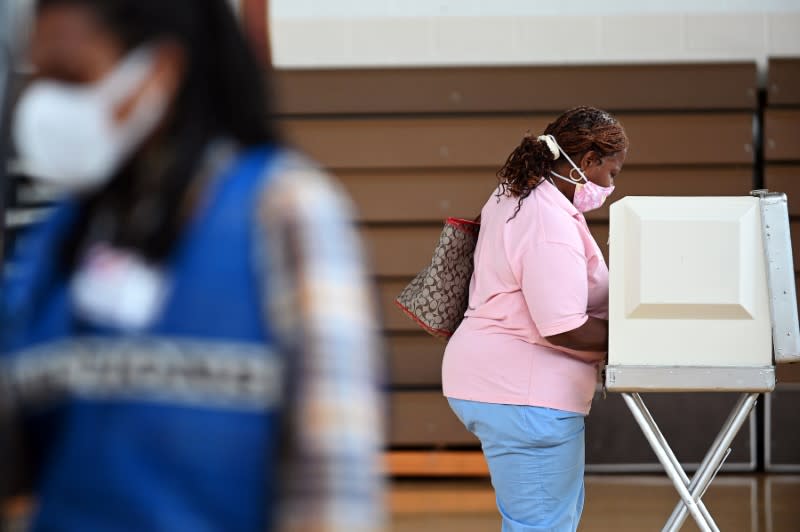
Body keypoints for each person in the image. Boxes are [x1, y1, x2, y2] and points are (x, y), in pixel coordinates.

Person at [0, 1, 385, 531]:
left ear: (160, 68)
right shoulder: (62, 234)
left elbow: (333, 490)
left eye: (70, 77)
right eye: (38, 81)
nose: (45, 106)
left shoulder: (283, 211)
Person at [441, 106, 628, 531]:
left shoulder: (518, 193)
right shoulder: (547, 221)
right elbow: (564, 325)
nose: (610, 185)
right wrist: (633, 338)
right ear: (587, 163)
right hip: (523, 393)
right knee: (542, 524)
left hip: (500, 383)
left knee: (538, 520)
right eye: (612, 173)